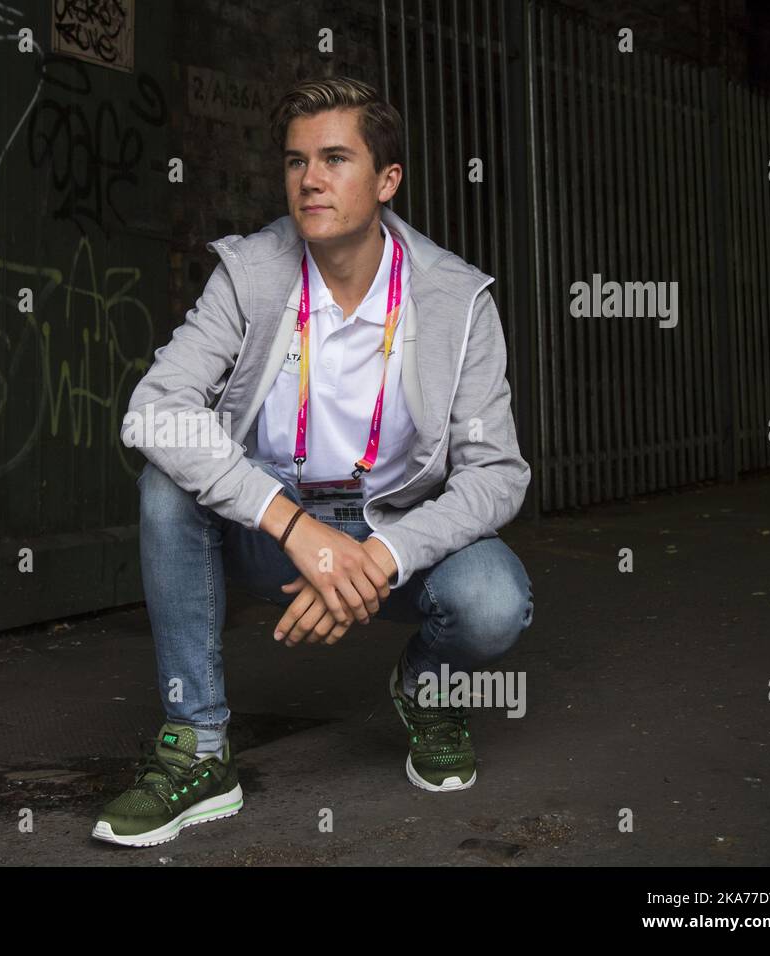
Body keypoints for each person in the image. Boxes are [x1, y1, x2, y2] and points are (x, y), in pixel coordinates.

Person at [92, 77, 533, 847]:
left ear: (388, 179)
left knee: (494, 599)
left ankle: (427, 687)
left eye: (336, 158)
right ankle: (197, 749)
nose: (311, 180)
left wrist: (380, 555)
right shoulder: (252, 274)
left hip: (390, 533)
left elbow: (497, 472)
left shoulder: (457, 300)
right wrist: (295, 527)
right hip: (271, 531)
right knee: (167, 481)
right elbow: (155, 409)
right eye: (297, 161)